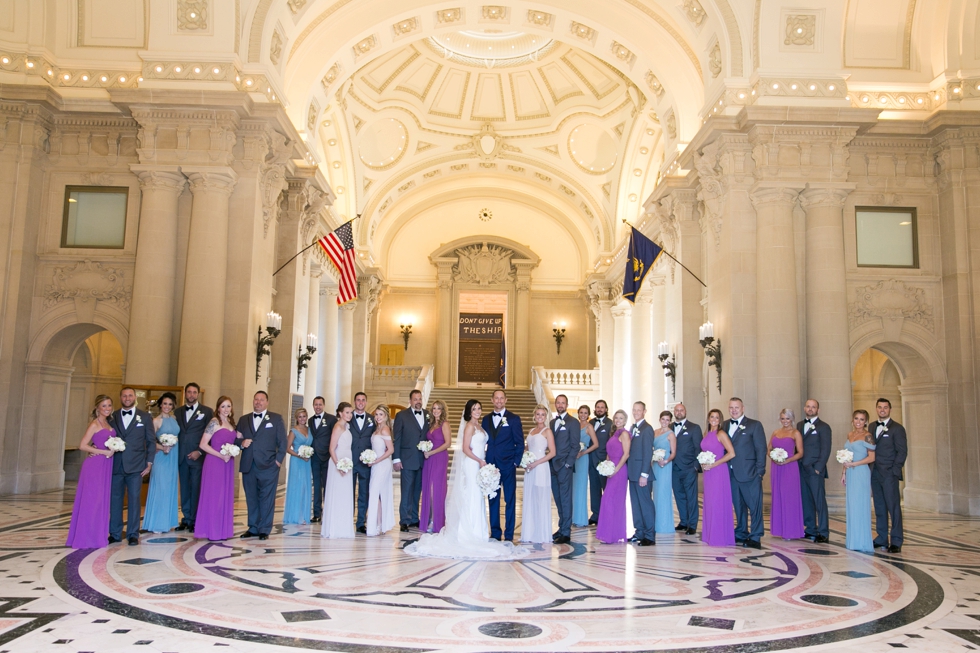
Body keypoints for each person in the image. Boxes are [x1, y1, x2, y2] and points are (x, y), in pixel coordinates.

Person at [405, 399, 527, 560]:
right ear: (469, 411)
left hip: (480, 464)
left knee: (478, 498)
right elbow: (465, 448)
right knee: (472, 496)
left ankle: (479, 532)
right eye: (474, 409)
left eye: (479, 408)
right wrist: (479, 460)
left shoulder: (480, 426)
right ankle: (467, 532)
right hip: (472, 464)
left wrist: (484, 463)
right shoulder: (470, 426)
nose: (477, 411)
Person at [66, 395, 116, 549]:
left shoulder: (108, 423)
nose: (107, 409)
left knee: (101, 501)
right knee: (92, 501)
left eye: (109, 405)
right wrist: (103, 451)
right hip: (94, 465)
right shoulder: (94, 424)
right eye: (103, 406)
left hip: (106, 465)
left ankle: (97, 535)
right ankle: (85, 537)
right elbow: (82, 445)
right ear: (97, 408)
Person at [236, 391, 287, 541]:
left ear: (267, 402)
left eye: (261, 400)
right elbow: (236, 439)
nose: (258, 402)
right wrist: (241, 443)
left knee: (267, 498)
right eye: (256, 399)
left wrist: (278, 461)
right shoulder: (243, 419)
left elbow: (282, 442)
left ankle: (264, 528)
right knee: (251, 497)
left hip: (269, 465)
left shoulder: (276, 419)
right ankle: (253, 527)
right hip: (248, 464)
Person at [109, 387, 156, 546]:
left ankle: (133, 534)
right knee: (115, 500)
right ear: (120, 397)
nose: (127, 398)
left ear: (135, 397)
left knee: (135, 500)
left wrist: (149, 462)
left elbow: (151, 441)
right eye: (124, 396)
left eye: (130, 395)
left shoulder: (144, 417)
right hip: (116, 464)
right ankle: (115, 533)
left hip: (137, 466)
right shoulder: (112, 416)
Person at [724, 397, 767, 549]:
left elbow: (761, 449)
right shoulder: (724, 425)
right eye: (731, 408)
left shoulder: (754, 425)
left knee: (754, 506)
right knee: (738, 505)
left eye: (736, 407)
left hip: (750, 473)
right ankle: (741, 531)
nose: (734, 410)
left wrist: (760, 471)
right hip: (731, 474)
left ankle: (756, 536)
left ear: (743, 408)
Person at [482, 389, 525, 541]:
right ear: (492, 400)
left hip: (508, 465)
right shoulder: (486, 419)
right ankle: (494, 533)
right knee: (492, 499)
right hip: (491, 466)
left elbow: (520, 443)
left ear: (506, 400)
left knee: (510, 499)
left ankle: (508, 534)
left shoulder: (513, 419)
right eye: (496, 398)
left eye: (502, 398)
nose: (499, 401)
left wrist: (515, 462)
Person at [194, 397, 238, 541]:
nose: (226, 409)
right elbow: (203, 444)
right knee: (214, 496)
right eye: (223, 406)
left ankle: (222, 530)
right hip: (215, 462)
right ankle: (212, 531)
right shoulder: (214, 422)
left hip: (228, 463)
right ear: (218, 408)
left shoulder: (231, 423)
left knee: (224, 496)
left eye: (228, 406)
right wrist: (220, 455)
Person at [871, 398, 907, 553]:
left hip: (889, 474)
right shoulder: (872, 426)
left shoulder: (897, 428)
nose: (882, 410)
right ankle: (882, 537)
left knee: (893, 507)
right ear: (877, 409)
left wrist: (894, 471)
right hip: (875, 474)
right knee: (879, 506)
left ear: (890, 409)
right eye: (880, 407)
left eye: (885, 407)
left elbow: (902, 451)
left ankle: (897, 540)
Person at [176, 382, 212, 534]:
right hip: (181, 456)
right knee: (184, 489)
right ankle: (186, 518)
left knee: (196, 488)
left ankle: (196, 519)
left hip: (197, 456)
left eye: (194, 392)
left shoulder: (207, 411)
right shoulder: (177, 412)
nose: (191, 395)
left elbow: (211, 434)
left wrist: (200, 451)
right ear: (185, 393)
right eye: (188, 392)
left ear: (198, 394)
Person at [142, 392, 180, 533]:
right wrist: (162, 447)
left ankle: (168, 521)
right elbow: (149, 442)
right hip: (161, 458)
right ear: (160, 405)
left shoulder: (174, 419)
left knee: (170, 489)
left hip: (173, 457)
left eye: (170, 404)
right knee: (161, 488)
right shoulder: (156, 421)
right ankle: (157, 523)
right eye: (165, 403)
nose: (167, 406)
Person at [393, 389, 429, 532]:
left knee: (417, 491)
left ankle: (414, 518)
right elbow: (397, 438)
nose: (418, 401)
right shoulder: (401, 415)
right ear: (410, 401)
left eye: (420, 399)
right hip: (407, 460)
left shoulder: (428, 415)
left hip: (423, 460)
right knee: (406, 491)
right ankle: (404, 520)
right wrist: (396, 458)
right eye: (415, 399)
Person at [797, 399, 832, 543]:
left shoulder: (824, 427)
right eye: (808, 407)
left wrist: (818, 468)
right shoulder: (799, 425)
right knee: (806, 500)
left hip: (814, 470)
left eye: (814, 407)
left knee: (819, 501)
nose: (811, 409)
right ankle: (810, 528)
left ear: (818, 410)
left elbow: (826, 449)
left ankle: (823, 531)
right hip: (801, 469)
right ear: (805, 408)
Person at [700, 409, 736, 546]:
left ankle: (719, 536)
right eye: (712, 417)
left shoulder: (721, 434)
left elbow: (731, 453)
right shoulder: (706, 433)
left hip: (718, 472)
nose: (714, 419)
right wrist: (704, 462)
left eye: (717, 417)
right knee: (709, 503)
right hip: (708, 472)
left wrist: (714, 464)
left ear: (720, 420)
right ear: (708, 418)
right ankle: (709, 534)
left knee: (717, 502)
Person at [595, 409, 631, 544]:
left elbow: (626, 454)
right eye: (616, 418)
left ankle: (612, 534)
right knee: (608, 501)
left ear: (625, 421)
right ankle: (609, 533)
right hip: (610, 470)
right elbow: (609, 453)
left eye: (621, 418)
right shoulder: (614, 434)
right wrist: (606, 467)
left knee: (611, 500)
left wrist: (615, 470)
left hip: (619, 471)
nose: (618, 420)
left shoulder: (625, 434)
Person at [521, 405, 556, 544]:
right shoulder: (531, 431)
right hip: (530, 468)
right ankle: (530, 532)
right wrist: (525, 459)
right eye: (538, 414)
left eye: (542, 414)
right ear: (534, 416)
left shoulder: (547, 431)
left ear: (545, 417)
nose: (540, 417)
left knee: (540, 499)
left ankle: (541, 534)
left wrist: (536, 463)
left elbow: (553, 453)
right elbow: (527, 448)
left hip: (541, 467)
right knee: (531, 499)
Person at [768, 409, 805, 540]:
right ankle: (779, 529)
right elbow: (769, 449)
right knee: (777, 495)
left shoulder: (795, 433)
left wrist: (786, 460)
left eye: (787, 419)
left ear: (792, 419)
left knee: (789, 496)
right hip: (776, 467)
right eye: (783, 418)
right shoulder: (775, 432)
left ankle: (791, 530)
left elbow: (800, 453)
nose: (785, 421)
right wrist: (774, 458)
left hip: (790, 467)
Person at [844, 409, 876, 553]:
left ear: (866, 421)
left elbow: (871, 458)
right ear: (852, 420)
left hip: (861, 472)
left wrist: (854, 465)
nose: (858, 422)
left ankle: (862, 541)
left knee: (860, 505)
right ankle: (853, 540)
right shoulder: (850, 434)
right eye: (856, 418)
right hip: (850, 472)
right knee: (852, 505)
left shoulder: (868, 436)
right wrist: (844, 471)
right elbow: (847, 456)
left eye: (862, 419)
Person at [322, 402, 355, 539]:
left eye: (351, 412)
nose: (349, 415)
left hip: (346, 463)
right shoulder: (337, 427)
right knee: (337, 495)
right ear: (340, 413)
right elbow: (331, 448)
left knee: (345, 496)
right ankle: (335, 527)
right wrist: (339, 466)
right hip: (339, 463)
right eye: (347, 412)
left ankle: (343, 526)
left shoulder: (346, 426)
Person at [550, 394, 579, 544]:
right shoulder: (551, 422)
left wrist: (568, 464)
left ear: (566, 405)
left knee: (566, 499)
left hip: (564, 467)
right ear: (555, 404)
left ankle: (566, 532)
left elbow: (575, 446)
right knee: (558, 499)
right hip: (552, 467)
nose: (560, 405)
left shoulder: (573, 422)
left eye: (563, 403)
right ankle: (561, 527)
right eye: (558, 403)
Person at [627, 402, 656, 546]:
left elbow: (648, 452)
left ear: (644, 411)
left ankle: (649, 535)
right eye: (634, 410)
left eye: (639, 410)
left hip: (642, 474)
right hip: (632, 472)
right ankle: (639, 532)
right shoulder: (633, 428)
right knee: (636, 504)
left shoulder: (647, 429)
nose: (636, 412)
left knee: (645, 505)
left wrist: (644, 474)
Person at [671, 403, 703, 535]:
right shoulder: (669, 427)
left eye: (681, 410)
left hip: (689, 467)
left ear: (685, 411)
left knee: (691, 497)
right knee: (679, 496)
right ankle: (683, 521)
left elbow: (698, 447)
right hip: (673, 468)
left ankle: (692, 524)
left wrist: (696, 466)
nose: (679, 412)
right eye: (677, 410)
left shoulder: (694, 428)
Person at [420, 400, 451, 533]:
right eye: (434, 408)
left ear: (443, 410)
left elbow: (448, 443)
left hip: (439, 457)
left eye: (438, 408)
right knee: (428, 489)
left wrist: (431, 452)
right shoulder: (431, 424)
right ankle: (429, 518)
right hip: (429, 459)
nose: (436, 410)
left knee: (436, 489)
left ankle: (436, 521)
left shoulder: (445, 424)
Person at [366, 405, 396, 536]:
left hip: (382, 465)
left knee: (374, 493)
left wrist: (376, 461)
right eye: (376, 414)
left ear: (386, 416)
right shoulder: (377, 428)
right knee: (375, 494)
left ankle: (377, 525)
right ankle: (380, 523)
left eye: (380, 415)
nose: (378, 417)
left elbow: (391, 450)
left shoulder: (385, 429)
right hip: (375, 464)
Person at [349, 392, 375, 534]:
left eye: (363, 400)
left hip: (366, 463)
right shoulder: (348, 417)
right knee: (349, 493)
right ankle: (348, 520)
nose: (360, 402)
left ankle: (360, 522)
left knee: (364, 493)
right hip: (350, 462)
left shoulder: (372, 419)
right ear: (354, 402)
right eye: (358, 400)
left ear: (366, 402)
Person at [283, 408, 313, 526]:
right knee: (298, 487)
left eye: (304, 416)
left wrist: (307, 454)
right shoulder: (293, 431)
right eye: (300, 417)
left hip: (307, 462)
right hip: (297, 461)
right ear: (296, 418)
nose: (302, 419)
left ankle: (305, 514)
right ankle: (297, 516)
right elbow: (287, 448)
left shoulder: (309, 429)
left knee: (306, 487)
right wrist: (300, 455)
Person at [309, 396, 337, 524]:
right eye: (316, 404)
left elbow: (335, 437)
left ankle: (328, 512)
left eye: (320, 404)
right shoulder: (309, 421)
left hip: (327, 457)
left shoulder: (331, 419)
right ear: (313, 405)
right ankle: (316, 513)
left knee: (327, 485)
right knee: (316, 485)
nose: (318, 407)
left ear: (324, 405)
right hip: (314, 457)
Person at [573, 405, 599, 527]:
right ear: (578, 414)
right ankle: (573, 517)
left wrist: (583, 452)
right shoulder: (575, 425)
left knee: (581, 488)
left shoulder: (589, 427)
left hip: (583, 458)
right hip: (574, 459)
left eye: (585, 413)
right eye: (581, 412)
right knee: (573, 488)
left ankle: (580, 519)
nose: (583, 415)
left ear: (588, 414)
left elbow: (596, 444)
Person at [653, 410, 677, 535]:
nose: (665, 422)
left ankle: (664, 525)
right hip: (655, 465)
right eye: (663, 419)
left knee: (663, 493)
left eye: (667, 420)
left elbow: (673, 453)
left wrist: (666, 461)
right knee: (656, 494)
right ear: (660, 419)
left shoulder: (671, 434)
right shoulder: (655, 432)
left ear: (670, 421)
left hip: (665, 466)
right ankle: (656, 523)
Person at [588, 400, 612, 525]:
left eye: (602, 407)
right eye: (598, 407)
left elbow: (611, 443)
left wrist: (609, 460)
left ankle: (607, 514)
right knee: (594, 488)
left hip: (604, 462)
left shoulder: (610, 423)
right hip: (591, 461)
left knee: (606, 489)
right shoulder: (590, 422)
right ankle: (595, 514)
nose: (600, 409)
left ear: (606, 409)